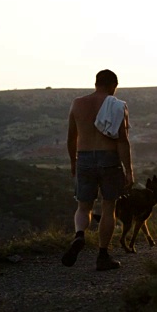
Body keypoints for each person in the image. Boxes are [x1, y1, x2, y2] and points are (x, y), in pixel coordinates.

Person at [61, 69, 134, 271]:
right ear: (113, 86)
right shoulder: (118, 106)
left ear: (95, 84)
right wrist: (129, 170)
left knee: (83, 207)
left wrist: (73, 162)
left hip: (84, 157)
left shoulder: (77, 103)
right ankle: (103, 256)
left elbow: (71, 138)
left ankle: (79, 235)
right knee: (109, 207)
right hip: (109, 158)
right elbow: (122, 141)